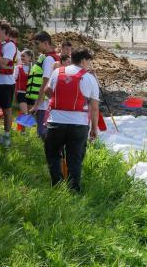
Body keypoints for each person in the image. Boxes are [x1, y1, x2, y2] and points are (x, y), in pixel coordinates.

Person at [44, 48, 100, 192]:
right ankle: (74, 189)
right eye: (89, 61)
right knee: (75, 158)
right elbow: (94, 108)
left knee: (53, 154)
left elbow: (47, 91)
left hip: (56, 122)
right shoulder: (90, 78)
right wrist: (94, 128)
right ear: (82, 61)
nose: (90, 65)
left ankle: (57, 185)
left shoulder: (58, 72)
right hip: (79, 125)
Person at [26, 31, 59, 140]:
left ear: (46, 43)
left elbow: (45, 83)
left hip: (44, 104)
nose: (35, 46)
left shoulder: (49, 59)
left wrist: (36, 105)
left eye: (37, 43)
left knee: (42, 133)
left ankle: (47, 155)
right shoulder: (49, 57)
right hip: (47, 102)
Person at [0, 19, 17, 147]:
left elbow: (4, 63)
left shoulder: (10, 45)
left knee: (6, 110)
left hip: (6, 83)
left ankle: (7, 135)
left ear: (4, 31)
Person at [14, 49, 35, 131]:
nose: (21, 58)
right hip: (21, 92)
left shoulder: (34, 68)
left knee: (29, 114)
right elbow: (13, 79)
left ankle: (25, 133)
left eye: (23, 56)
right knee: (25, 113)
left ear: (30, 57)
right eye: (21, 56)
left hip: (31, 93)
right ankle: (22, 132)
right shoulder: (17, 68)